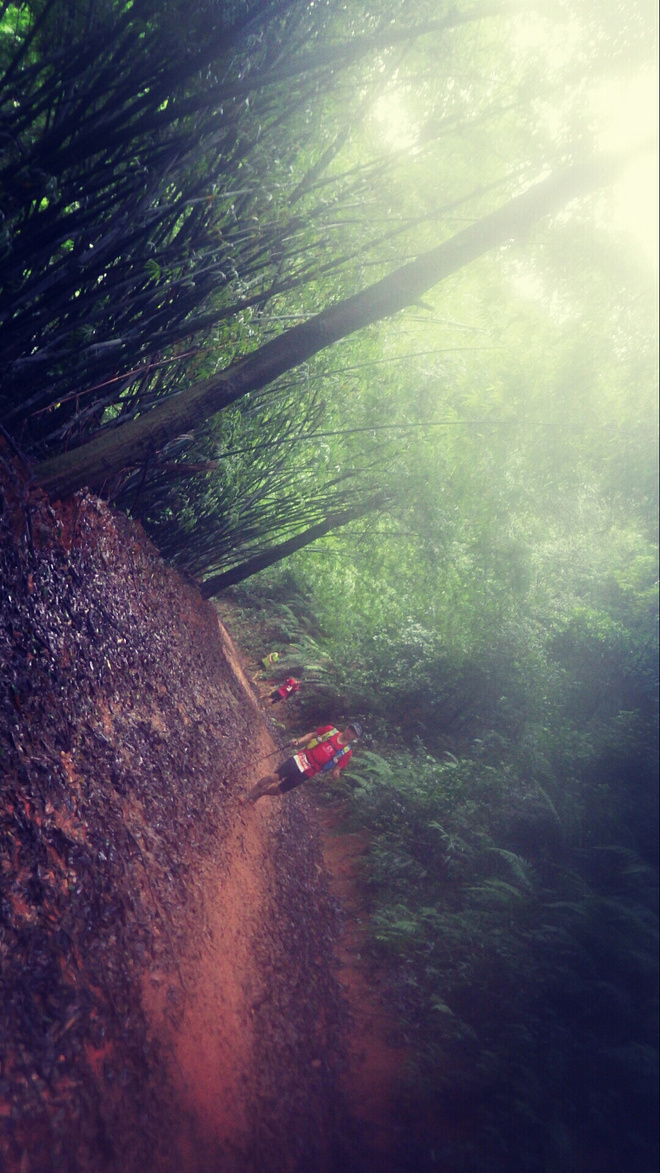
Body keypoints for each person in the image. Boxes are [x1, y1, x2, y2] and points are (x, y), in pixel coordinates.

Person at [241, 722, 362, 805]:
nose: (350, 733)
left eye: (353, 733)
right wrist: (299, 741)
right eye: (350, 729)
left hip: (309, 771)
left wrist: (336, 775)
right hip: (301, 758)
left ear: (355, 738)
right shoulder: (330, 730)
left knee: (279, 791)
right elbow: (312, 735)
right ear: (347, 727)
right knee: (274, 777)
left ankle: (260, 794)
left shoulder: (347, 752)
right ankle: (248, 795)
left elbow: (337, 769)